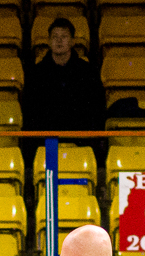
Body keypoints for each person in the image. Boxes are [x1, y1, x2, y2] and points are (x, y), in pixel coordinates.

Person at [23, 17, 106, 162]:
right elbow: (29, 110)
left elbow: (97, 107)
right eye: (55, 37)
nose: (59, 41)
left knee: (79, 173)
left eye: (64, 37)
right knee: (49, 175)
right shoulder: (36, 73)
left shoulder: (88, 72)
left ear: (72, 41)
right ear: (49, 41)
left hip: (81, 141)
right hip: (46, 142)